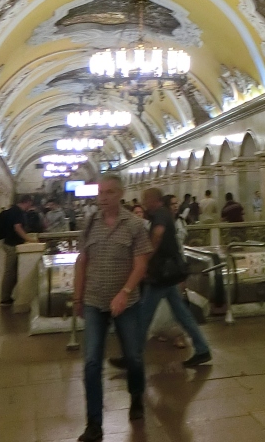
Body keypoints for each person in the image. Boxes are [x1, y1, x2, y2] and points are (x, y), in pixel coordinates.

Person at [74, 175, 153, 441]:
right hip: (94, 300)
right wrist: (77, 297)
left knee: (133, 356)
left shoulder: (134, 225)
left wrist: (125, 292)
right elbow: (82, 260)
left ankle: (137, 396)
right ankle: (94, 423)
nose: (103, 197)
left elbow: (141, 264)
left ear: (120, 194)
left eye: (109, 192)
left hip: (126, 302)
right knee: (91, 361)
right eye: (100, 192)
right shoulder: (90, 223)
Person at [137, 187, 212, 368]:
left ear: (153, 199)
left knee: (145, 314)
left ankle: (131, 355)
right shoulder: (161, 214)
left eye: (145, 199)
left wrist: (146, 259)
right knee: (182, 313)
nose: (143, 203)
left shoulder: (160, 215)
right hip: (167, 274)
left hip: (162, 273)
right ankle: (202, 349)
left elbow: (157, 235)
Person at [0, 196, 32, 306]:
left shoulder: (13, 210)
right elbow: (17, 227)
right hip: (11, 245)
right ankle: (5, 298)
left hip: (10, 243)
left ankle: (7, 296)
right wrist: (29, 239)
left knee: (12, 272)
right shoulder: (17, 211)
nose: (29, 207)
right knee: (10, 272)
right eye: (30, 204)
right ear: (27, 202)